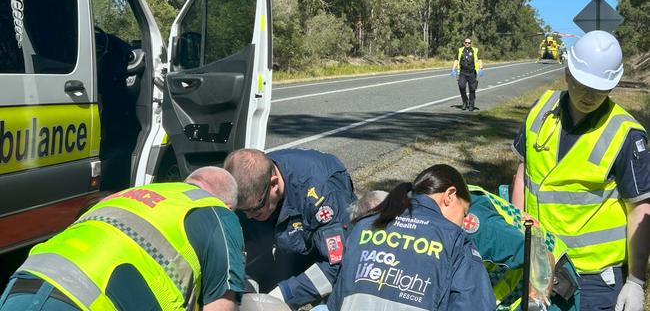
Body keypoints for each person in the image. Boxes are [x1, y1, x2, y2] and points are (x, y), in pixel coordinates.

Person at [510, 30, 650, 311]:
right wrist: (516, 237)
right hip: (541, 263)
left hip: (594, 280)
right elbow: (523, 173)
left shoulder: (627, 135)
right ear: (568, 75)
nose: (591, 96)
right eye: (584, 85)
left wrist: (635, 281)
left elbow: (640, 209)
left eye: (601, 89)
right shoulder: (540, 110)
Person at [0, 167, 245, 311]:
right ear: (226, 205)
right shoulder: (217, 212)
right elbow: (221, 304)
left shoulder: (129, 193)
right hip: (94, 302)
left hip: (23, 284)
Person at [326, 164, 495, 311]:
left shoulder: (365, 225)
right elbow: (476, 305)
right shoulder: (454, 238)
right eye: (464, 213)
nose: (463, 222)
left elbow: (336, 300)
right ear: (449, 195)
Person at [224, 147, 356, 308]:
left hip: (322, 250)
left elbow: (336, 266)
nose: (248, 217)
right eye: (241, 210)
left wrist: (284, 294)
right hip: (287, 241)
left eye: (253, 209)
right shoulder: (255, 190)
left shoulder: (323, 193)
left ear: (274, 184)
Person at [464, 185, 580, 311]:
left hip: (548, 282)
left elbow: (540, 256)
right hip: (511, 292)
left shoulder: (474, 224)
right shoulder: (445, 210)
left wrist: (535, 304)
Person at [451, 37, 484, 111]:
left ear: (471, 43)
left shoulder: (475, 50)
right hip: (462, 72)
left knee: (472, 89)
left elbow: (479, 60)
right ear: (464, 43)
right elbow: (456, 60)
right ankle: (465, 101)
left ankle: (471, 105)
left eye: (469, 43)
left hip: (472, 73)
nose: (467, 44)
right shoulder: (460, 50)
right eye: (466, 42)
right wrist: (453, 69)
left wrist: (481, 68)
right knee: (461, 86)